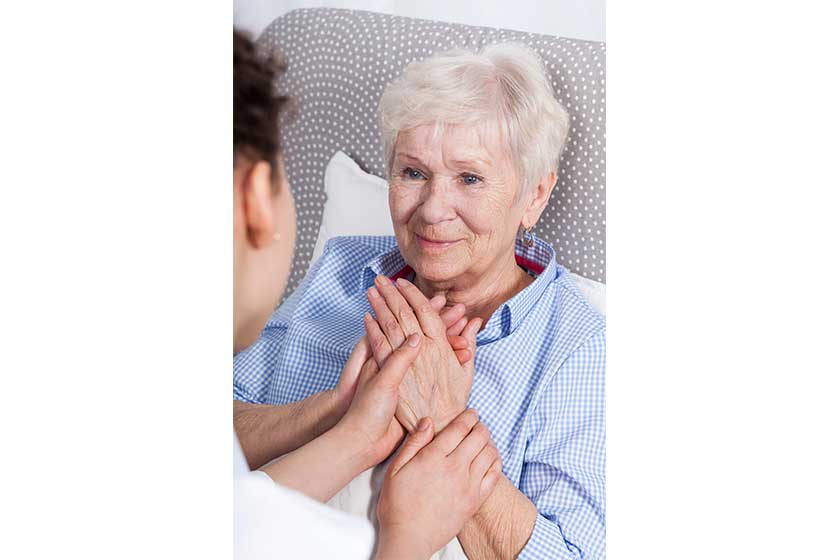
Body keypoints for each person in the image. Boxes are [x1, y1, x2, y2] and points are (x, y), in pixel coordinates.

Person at [234, 42, 606, 559]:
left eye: (469, 178)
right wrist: (332, 412)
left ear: (535, 195)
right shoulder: (343, 271)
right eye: (413, 172)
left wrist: (442, 420)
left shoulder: (578, 345)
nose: (433, 210)